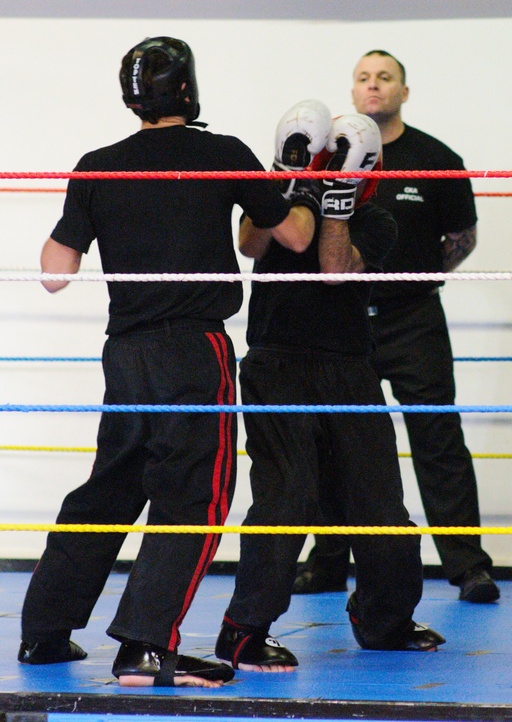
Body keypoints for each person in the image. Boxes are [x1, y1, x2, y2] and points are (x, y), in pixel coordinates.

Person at [17, 36, 318, 689]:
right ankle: (146, 647)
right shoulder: (221, 152)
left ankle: (44, 631)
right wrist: (303, 183)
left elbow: (54, 273)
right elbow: (294, 237)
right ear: (187, 89)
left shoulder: (97, 165)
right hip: (193, 348)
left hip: (126, 353)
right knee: (194, 493)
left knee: (111, 487)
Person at [214, 101, 445, 673]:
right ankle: (243, 630)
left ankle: (384, 619)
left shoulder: (379, 219)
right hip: (277, 362)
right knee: (285, 498)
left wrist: (339, 199)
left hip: (348, 368)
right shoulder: (289, 203)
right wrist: (285, 179)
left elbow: (335, 268)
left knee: (380, 504)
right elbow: (251, 244)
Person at [293, 50, 500, 604]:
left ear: (403, 92)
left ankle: (468, 566)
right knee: (333, 442)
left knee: (438, 440)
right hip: (341, 320)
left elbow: (461, 238)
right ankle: (328, 562)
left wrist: (417, 279)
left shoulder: (437, 158)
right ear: (352, 91)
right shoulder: (327, 158)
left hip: (413, 319)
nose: (373, 86)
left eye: (384, 77)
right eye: (363, 78)